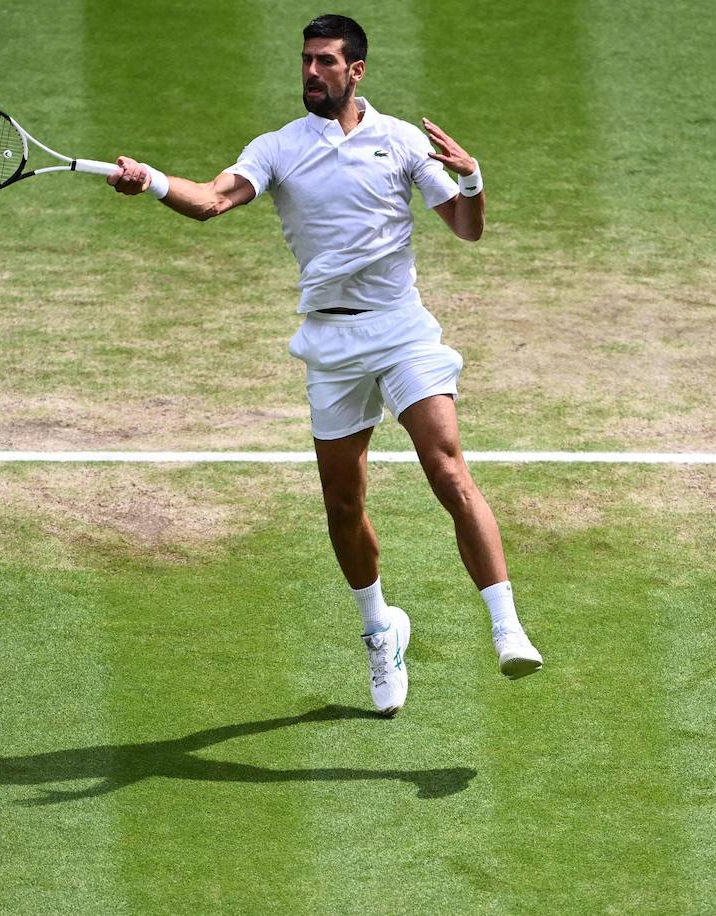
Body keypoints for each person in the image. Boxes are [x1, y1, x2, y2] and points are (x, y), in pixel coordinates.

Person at [106, 13, 543, 716]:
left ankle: (507, 628)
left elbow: (467, 228)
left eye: (325, 62)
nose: (311, 73)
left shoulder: (401, 142)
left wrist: (472, 181)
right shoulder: (278, 148)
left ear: (356, 71)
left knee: (448, 467)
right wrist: (152, 180)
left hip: (402, 332)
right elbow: (213, 200)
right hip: (331, 345)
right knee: (344, 503)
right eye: (306, 61)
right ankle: (380, 631)